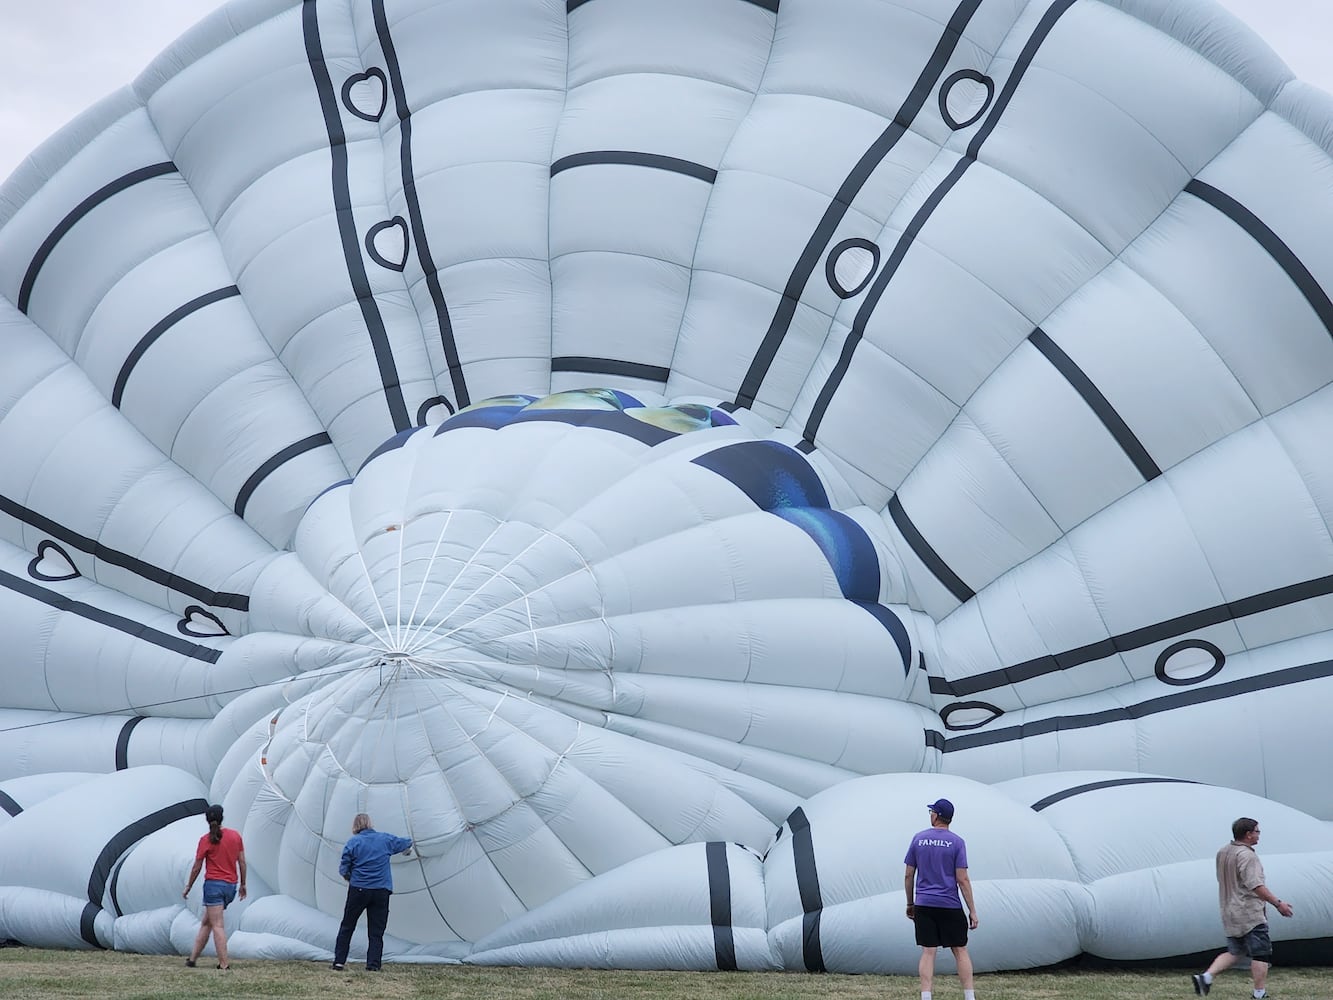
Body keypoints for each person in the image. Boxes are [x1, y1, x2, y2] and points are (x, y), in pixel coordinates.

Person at [1192, 817, 1294, 998]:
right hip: (1249, 912)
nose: (1259, 835)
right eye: (1257, 831)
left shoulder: (1223, 852)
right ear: (1248, 834)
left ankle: (1206, 977)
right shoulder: (1247, 856)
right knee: (1261, 953)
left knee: (1236, 951)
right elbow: (1256, 885)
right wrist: (1278, 904)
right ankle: (1259, 993)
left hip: (1229, 910)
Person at [904, 798, 978, 1000]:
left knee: (928, 952)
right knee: (960, 950)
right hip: (949, 904)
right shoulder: (957, 842)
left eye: (931, 812)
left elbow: (909, 874)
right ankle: (969, 997)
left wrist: (910, 903)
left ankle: (926, 996)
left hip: (925, 904)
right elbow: (962, 879)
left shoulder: (918, 839)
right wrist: (972, 910)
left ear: (936, 815)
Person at [331, 813, 413, 972]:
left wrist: (352, 879)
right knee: (376, 931)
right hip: (381, 891)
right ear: (370, 824)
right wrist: (408, 849)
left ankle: (339, 962)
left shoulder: (353, 842)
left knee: (347, 926)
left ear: (355, 826)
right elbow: (407, 842)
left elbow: (343, 869)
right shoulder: (385, 839)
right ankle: (373, 965)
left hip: (359, 889)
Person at [182, 803, 246, 970]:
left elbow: (197, 866)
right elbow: (242, 862)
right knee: (207, 922)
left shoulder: (205, 840)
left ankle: (224, 964)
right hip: (230, 886)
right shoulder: (235, 836)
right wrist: (243, 884)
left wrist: (188, 886)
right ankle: (192, 959)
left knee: (217, 924)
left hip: (213, 887)